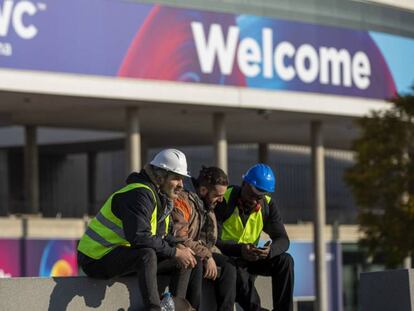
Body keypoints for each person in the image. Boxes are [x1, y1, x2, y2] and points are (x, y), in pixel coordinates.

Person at [77, 149, 197, 311]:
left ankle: (173, 306)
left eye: (182, 179)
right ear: (160, 177)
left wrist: (179, 248)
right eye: (176, 178)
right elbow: (139, 238)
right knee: (147, 254)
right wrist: (175, 252)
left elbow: (161, 236)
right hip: (96, 258)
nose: (181, 185)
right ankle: (154, 308)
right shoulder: (139, 194)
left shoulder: (160, 197)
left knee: (185, 259)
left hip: (122, 254)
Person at [215, 164, 294, 311]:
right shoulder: (224, 199)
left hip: (251, 259)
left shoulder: (267, 205)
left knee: (285, 260)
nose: (255, 201)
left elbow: (283, 239)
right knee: (239, 275)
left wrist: (270, 251)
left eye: (260, 197)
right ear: (244, 184)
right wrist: (240, 250)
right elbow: (214, 240)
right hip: (229, 259)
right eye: (252, 194)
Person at [171, 166, 237, 311]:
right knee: (196, 263)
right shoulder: (183, 200)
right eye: (217, 195)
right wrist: (207, 256)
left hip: (199, 250)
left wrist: (210, 254)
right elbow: (181, 238)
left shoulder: (207, 203)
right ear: (203, 190)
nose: (220, 200)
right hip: (184, 250)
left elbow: (209, 240)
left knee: (229, 265)